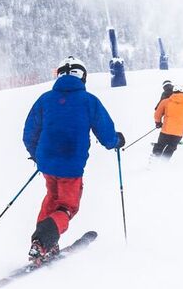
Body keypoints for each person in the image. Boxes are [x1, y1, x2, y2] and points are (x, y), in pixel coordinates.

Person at [22, 55, 124, 264]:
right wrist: (115, 141)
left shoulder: (45, 99)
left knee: (52, 198)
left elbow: (29, 133)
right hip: (71, 165)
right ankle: (43, 242)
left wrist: (38, 155)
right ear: (82, 76)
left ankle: (44, 243)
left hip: (48, 165)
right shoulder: (89, 101)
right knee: (68, 206)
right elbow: (105, 133)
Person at [152, 82, 183, 159]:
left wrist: (158, 122)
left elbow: (157, 114)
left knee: (160, 145)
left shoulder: (165, 101)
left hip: (166, 130)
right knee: (171, 147)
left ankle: (153, 162)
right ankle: (163, 162)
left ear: (173, 91)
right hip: (179, 132)